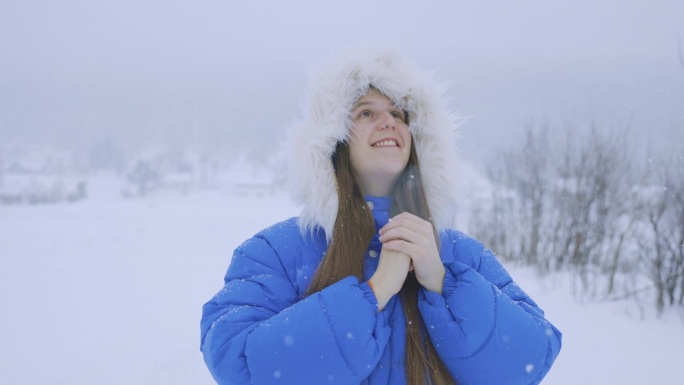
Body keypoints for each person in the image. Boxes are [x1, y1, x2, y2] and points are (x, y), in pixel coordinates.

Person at [200, 50, 562, 385]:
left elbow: (530, 358)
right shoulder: (277, 251)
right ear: (335, 140)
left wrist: (442, 281)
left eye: (399, 114)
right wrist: (372, 293)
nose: (388, 122)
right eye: (366, 113)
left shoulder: (459, 253)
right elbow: (237, 360)